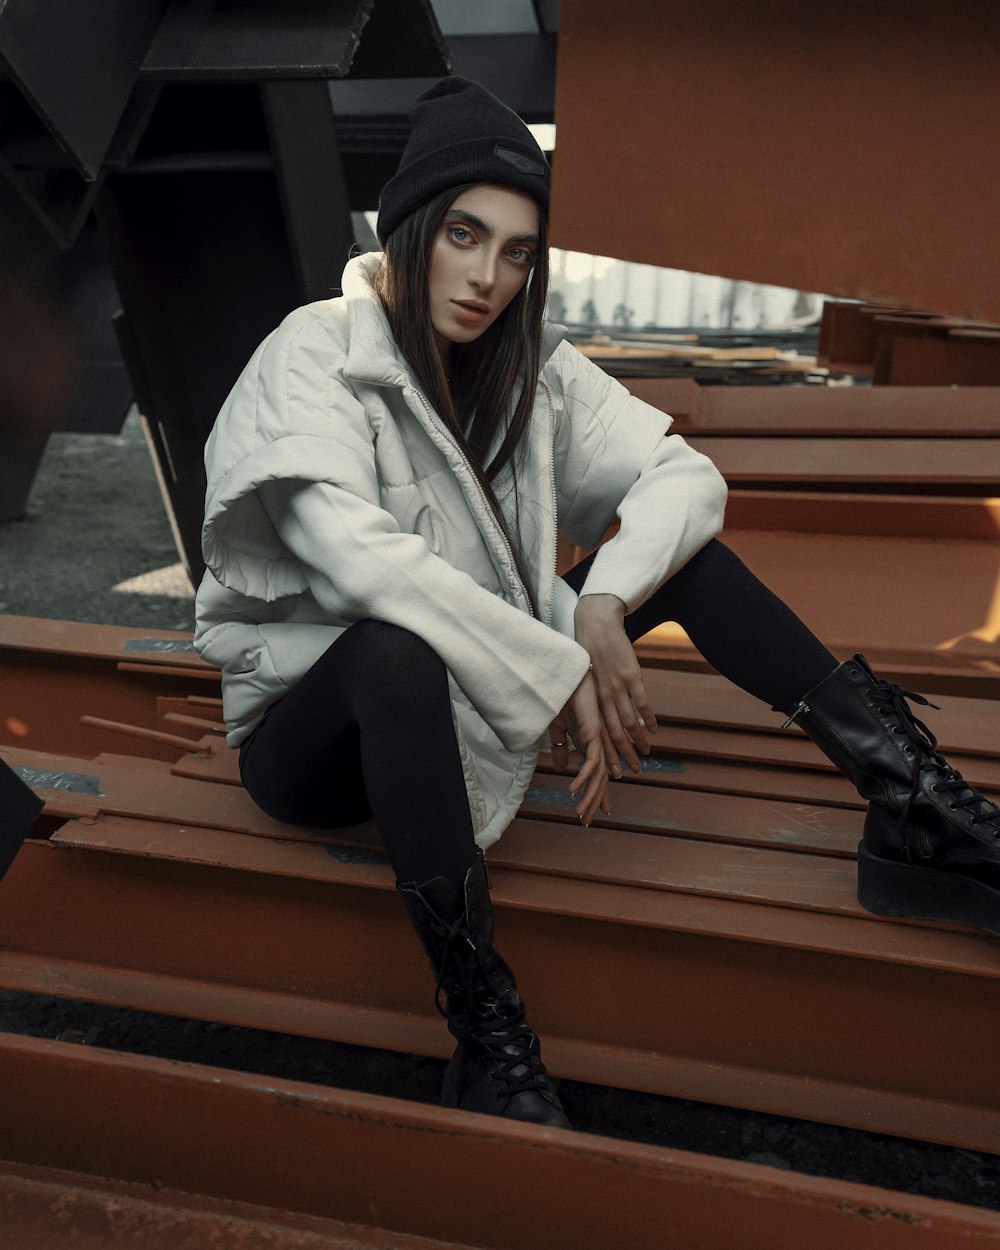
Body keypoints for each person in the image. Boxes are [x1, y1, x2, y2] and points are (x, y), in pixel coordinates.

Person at [194, 77, 1000, 1131]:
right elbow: (360, 564)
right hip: (323, 739)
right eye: (465, 236)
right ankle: (484, 1029)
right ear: (410, 229)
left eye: (518, 252)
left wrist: (603, 601)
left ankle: (914, 808)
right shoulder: (314, 353)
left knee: (689, 561)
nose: (488, 277)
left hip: (486, 703)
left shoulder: (528, 371)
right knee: (392, 646)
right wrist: (565, 670)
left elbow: (684, 479)